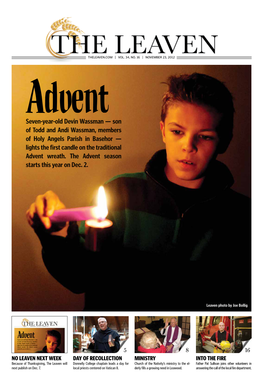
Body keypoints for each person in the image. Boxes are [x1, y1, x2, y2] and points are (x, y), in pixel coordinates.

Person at [26, 73, 251, 311]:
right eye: (177, 132)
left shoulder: (243, 217)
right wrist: (52, 235)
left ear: (224, 141)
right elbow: (77, 277)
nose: (188, 146)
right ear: (163, 131)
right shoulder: (120, 194)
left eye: (204, 136)